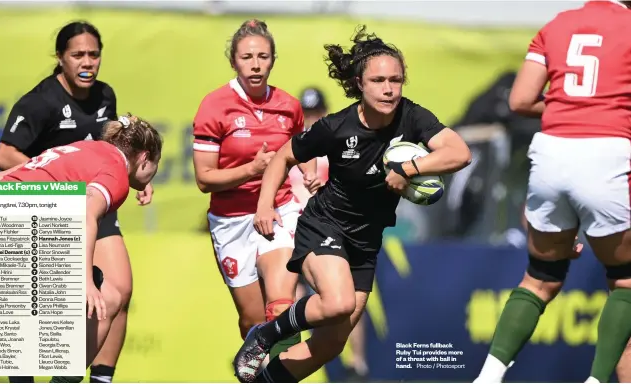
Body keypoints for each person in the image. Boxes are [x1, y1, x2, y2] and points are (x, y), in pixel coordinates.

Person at [232, 25, 472, 383]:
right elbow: (283, 158)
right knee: (339, 302)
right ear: (360, 83)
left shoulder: (412, 117)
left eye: (396, 79)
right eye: (378, 80)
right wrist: (264, 206)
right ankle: (265, 335)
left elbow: (460, 153)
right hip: (324, 226)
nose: (389, 88)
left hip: (365, 240)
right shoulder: (336, 127)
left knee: (331, 343)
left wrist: (408, 168)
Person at [472, 1, 631, 383]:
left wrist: (571, 106)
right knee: (626, 281)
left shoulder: (558, 24)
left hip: (551, 153)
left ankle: (488, 377)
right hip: (609, 153)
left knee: (541, 277)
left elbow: (520, 100)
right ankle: (595, 381)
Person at [0, 21, 146, 384]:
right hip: (47, 209)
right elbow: (4, 155)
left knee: (119, 291)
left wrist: (137, 178)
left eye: (94, 54)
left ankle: (99, 378)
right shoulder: (40, 101)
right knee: (29, 302)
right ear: (60, 58)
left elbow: (115, 152)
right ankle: (23, 378)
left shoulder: (106, 96)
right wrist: (60, 180)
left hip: (94, 204)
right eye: (77, 55)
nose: (87, 62)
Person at [0, 114, 162, 377]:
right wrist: (86, 281)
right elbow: (88, 215)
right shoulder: (116, 171)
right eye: (157, 164)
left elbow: (7, 176)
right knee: (108, 299)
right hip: (11, 225)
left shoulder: (78, 148)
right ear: (144, 157)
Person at [192, 19, 321, 360]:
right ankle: (259, 369)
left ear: (273, 60)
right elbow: (204, 178)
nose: (255, 64)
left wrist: (309, 173)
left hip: (278, 211)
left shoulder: (289, 106)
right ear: (234, 61)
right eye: (247, 57)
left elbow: (297, 150)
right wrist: (251, 169)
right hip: (231, 221)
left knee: (280, 306)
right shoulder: (214, 106)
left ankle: (283, 374)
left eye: (263, 56)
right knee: (251, 321)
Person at [291, 87, 370, 382]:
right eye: (307, 113)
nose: (312, 119)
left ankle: (357, 364)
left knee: (345, 300)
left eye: (316, 113)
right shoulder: (295, 147)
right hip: (295, 234)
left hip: (333, 233)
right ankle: (294, 360)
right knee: (292, 296)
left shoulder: (337, 147)